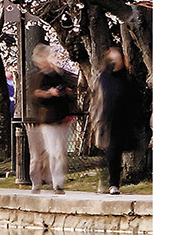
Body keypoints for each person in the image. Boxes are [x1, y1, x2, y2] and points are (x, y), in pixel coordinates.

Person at [26, 43, 79, 192]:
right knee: (51, 151)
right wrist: (49, 93)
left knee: (59, 151)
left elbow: (72, 88)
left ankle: (57, 181)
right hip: (47, 119)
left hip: (61, 117)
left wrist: (65, 92)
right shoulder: (36, 76)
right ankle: (45, 180)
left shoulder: (59, 74)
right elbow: (35, 97)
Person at [91, 46, 144, 194]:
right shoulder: (102, 77)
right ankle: (111, 183)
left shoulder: (127, 77)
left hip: (123, 120)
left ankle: (112, 182)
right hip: (107, 120)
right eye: (112, 59)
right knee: (110, 151)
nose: (115, 61)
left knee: (115, 151)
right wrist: (95, 118)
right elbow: (96, 99)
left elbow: (135, 98)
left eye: (118, 58)